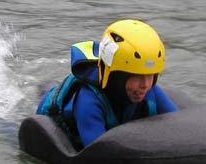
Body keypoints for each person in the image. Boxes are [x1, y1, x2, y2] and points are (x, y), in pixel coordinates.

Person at [36, 19, 179, 149]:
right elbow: (98, 154)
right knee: (45, 89)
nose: (145, 84)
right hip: (55, 117)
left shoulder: (150, 91)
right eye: (136, 76)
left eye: (150, 75)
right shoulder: (89, 101)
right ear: (116, 77)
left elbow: (179, 126)